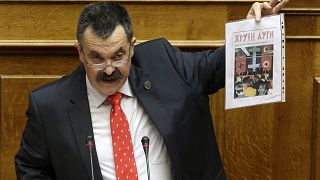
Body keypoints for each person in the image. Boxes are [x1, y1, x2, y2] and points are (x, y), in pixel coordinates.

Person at [14, 0, 289, 179]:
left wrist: (257, 30)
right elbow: (30, 168)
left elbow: (220, 66)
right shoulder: (50, 106)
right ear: (80, 53)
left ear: (133, 47)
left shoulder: (164, 63)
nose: (109, 69)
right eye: (97, 57)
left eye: (119, 55)